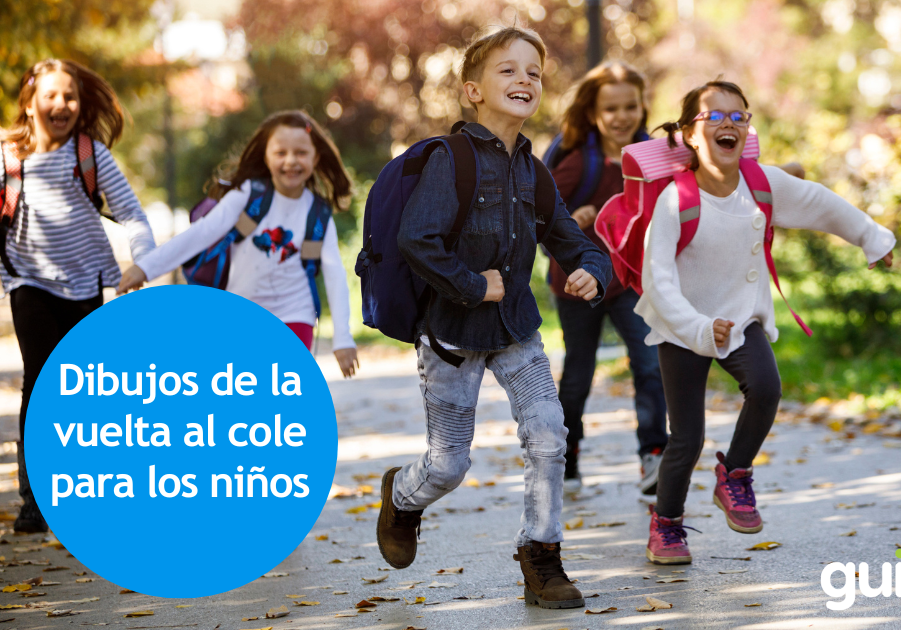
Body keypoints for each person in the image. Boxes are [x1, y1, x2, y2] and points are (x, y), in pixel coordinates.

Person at [373, 26, 612, 610]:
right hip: (450, 336)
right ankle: (401, 497)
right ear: (473, 91)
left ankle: (541, 556)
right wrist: (473, 285)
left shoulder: (534, 171)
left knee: (549, 433)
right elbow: (417, 239)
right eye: (508, 70)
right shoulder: (450, 160)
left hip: (516, 331)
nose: (524, 79)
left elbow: (571, 239)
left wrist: (592, 270)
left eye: (533, 72)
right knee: (448, 465)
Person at [636, 80, 895, 565]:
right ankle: (666, 524)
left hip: (740, 318)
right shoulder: (675, 200)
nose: (729, 124)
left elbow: (820, 203)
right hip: (683, 326)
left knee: (767, 387)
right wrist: (697, 327)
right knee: (686, 438)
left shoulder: (762, 184)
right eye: (715, 116)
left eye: (739, 115)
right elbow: (659, 281)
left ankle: (735, 474)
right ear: (689, 134)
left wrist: (872, 238)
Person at [1, 59, 157, 533]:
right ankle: (35, 499)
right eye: (50, 95)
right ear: (30, 103)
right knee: (39, 379)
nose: (61, 104)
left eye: (69, 96)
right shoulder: (9, 158)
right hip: (28, 281)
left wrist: (142, 262)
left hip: (86, 284)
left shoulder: (89, 154)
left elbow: (132, 214)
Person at [118, 111, 359, 378]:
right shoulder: (248, 196)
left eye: (301, 152)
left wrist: (343, 338)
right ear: (266, 156)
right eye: (281, 152)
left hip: (296, 317)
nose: (291, 160)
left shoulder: (319, 213)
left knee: (283, 390)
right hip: (241, 316)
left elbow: (335, 274)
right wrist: (146, 267)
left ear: (316, 158)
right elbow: (200, 234)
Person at [545, 62, 669, 495]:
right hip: (578, 282)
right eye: (610, 108)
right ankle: (568, 456)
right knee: (578, 374)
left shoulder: (654, 155)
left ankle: (653, 454)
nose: (621, 116)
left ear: (642, 107)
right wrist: (571, 220)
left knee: (650, 363)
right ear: (593, 113)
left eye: (630, 106)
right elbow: (539, 214)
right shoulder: (581, 162)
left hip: (631, 280)